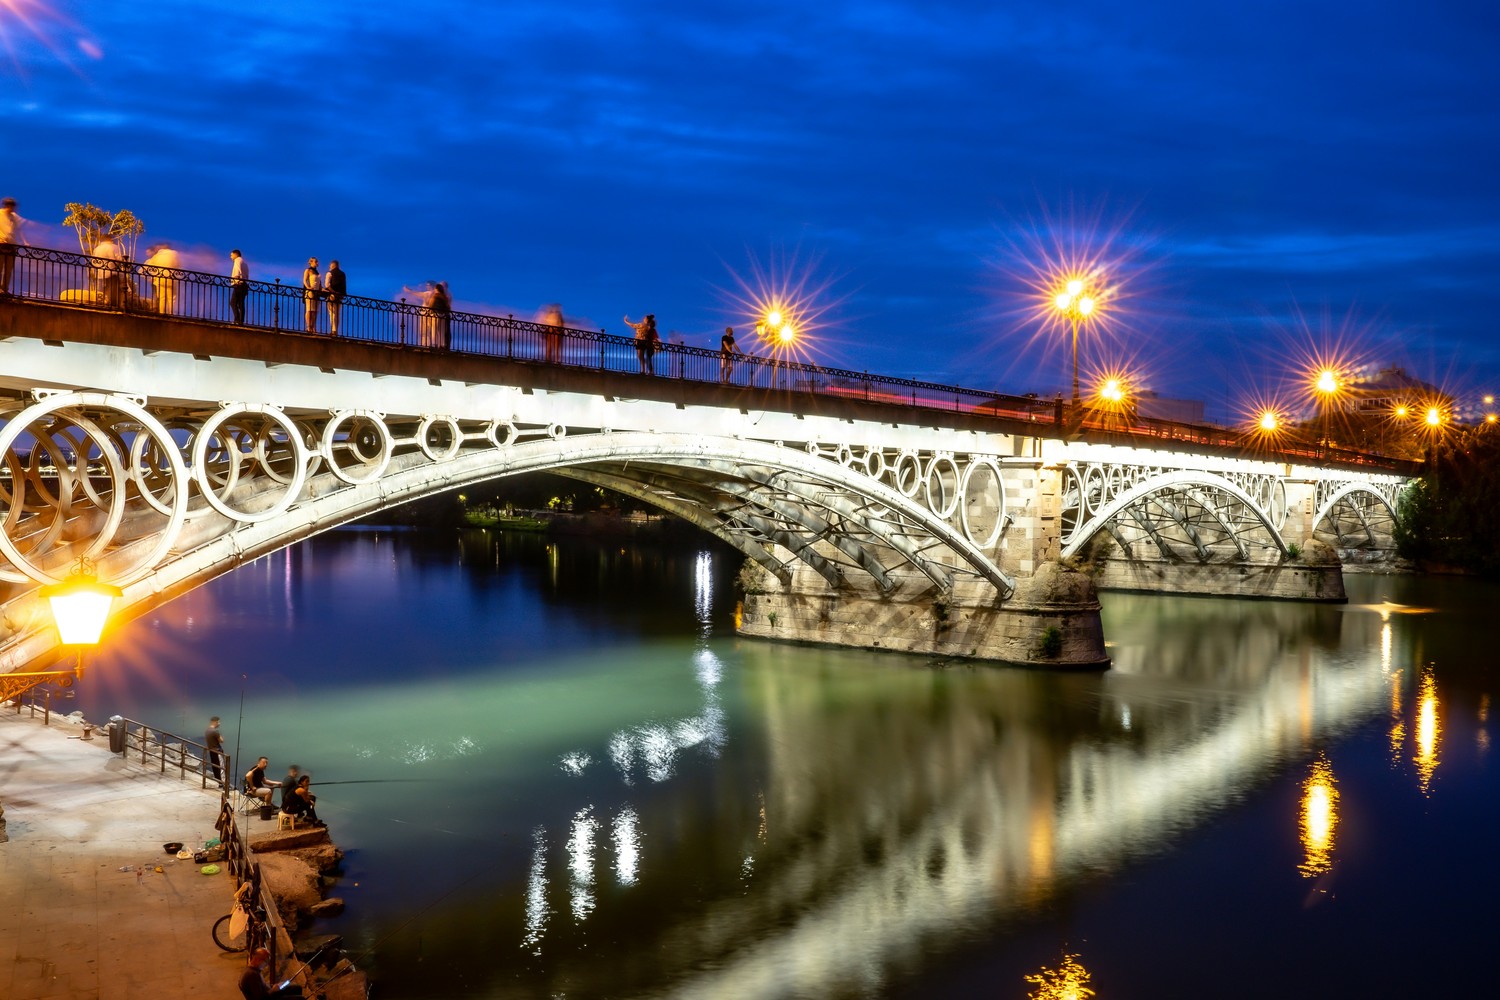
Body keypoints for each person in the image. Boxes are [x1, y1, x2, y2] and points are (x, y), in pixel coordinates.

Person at [239, 946, 303, 998]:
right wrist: (273, 990)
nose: (267, 964)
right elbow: (261, 998)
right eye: (266, 961)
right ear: (258, 960)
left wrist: (273, 986)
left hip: (268, 993)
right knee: (300, 998)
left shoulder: (253, 970)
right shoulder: (252, 975)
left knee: (296, 988)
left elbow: (262, 987)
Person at [0, 196, 28, 297]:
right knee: (0, 266)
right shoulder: (0, 214)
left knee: (8, 269)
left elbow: (19, 230)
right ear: (7, 206)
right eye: (10, 207)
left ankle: (5, 289)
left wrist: (25, 242)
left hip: (12, 245)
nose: (12, 209)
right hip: (1, 244)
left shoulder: (13, 216)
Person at [143, 243, 181, 315]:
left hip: (160, 279)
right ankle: (171, 313)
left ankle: (161, 313)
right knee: (172, 298)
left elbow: (150, 266)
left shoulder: (157, 256)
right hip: (172, 279)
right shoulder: (175, 254)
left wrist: (152, 277)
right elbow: (178, 265)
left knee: (161, 298)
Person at [92, 235, 124, 307]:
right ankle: (112, 304)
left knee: (103, 288)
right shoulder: (113, 247)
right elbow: (118, 259)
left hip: (100, 272)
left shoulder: (97, 249)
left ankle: (101, 302)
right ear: (110, 239)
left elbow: (94, 261)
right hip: (112, 272)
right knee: (113, 289)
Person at [323, 259, 346, 335]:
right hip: (340, 296)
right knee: (338, 313)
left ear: (332, 265)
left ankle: (334, 330)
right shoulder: (343, 274)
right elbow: (344, 286)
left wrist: (333, 292)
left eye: (330, 266)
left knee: (332, 313)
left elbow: (327, 285)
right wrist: (342, 295)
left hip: (332, 296)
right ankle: (336, 330)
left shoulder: (329, 273)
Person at [229, 249, 250, 324]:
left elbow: (237, 272)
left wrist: (234, 279)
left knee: (233, 302)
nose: (230, 257)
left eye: (231, 255)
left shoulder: (237, 261)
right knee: (241, 304)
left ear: (236, 254)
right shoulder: (245, 263)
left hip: (239, 284)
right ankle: (241, 321)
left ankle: (237, 320)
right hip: (244, 285)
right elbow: (247, 276)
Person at [204, 716, 225, 787]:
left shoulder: (207, 731)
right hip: (218, 752)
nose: (219, 723)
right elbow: (222, 740)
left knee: (215, 767)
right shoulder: (215, 731)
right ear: (215, 722)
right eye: (218, 722)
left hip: (211, 752)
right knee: (221, 768)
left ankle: (218, 782)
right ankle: (223, 783)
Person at [301, 257, 321, 333]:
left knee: (315, 311)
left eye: (317, 261)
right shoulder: (308, 270)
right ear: (311, 262)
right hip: (310, 292)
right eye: (315, 261)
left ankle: (313, 327)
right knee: (309, 310)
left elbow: (319, 284)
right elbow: (305, 280)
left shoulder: (317, 273)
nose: (317, 263)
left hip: (316, 293)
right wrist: (308, 287)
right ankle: (309, 326)